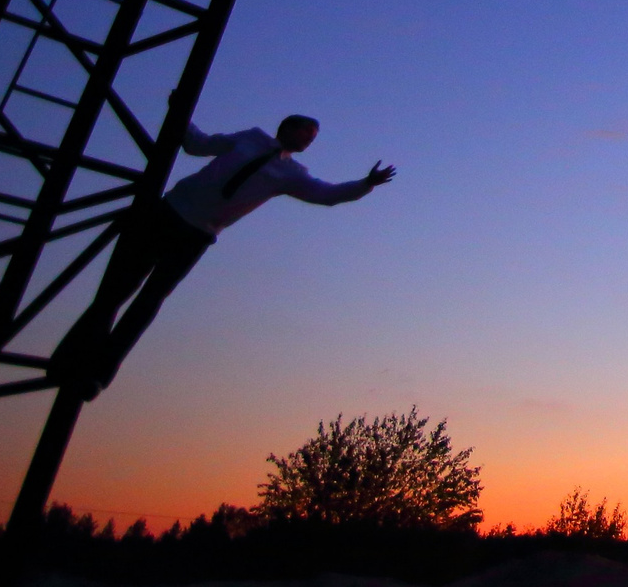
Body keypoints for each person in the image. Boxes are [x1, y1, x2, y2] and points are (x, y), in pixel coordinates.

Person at [51, 109, 394, 400]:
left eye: (313, 137)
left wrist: (366, 184)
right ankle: (68, 360)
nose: (309, 139)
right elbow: (198, 144)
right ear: (286, 127)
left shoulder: (291, 175)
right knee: (117, 290)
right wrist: (180, 113)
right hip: (169, 212)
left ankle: (97, 374)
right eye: (306, 131)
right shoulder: (251, 139)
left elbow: (327, 195)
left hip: (197, 234)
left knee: (148, 301)